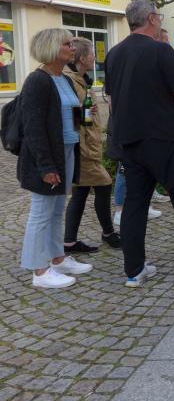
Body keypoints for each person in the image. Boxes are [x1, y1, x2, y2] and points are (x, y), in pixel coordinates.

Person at [105, 0, 174, 288]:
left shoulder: (114, 54)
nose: (161, 21)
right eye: (160, 17)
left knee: (134, 205)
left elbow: (112, 101)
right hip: (166, 139)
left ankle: (134, 271)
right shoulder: (161, 50)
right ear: (152, 19)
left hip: (130, 141)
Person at [18, 29, 92, 288]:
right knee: (41, 211)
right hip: (48, 157)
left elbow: (71, 117)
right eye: (67, 44)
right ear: (51, 47)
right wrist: (46, 166)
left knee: (57, 209)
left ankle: (57, 259)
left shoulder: (64, 79)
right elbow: (33, 128)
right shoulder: (37, 81)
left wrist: (85, 114)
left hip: (67, 151)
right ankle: (39, 271)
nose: (72, 47)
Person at [63, 37, 120, 253]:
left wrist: (87, 112)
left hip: (86, 145)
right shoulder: (71, 81)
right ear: (83, 57)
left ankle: (69, 242)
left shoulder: (80, 79)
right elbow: (72, 118)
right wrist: (85, 113)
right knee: (104, 184)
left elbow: (80, 115)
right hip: (83, 148)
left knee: (80, 193)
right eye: (92, 53)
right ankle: (108, 233)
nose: (95, 57)